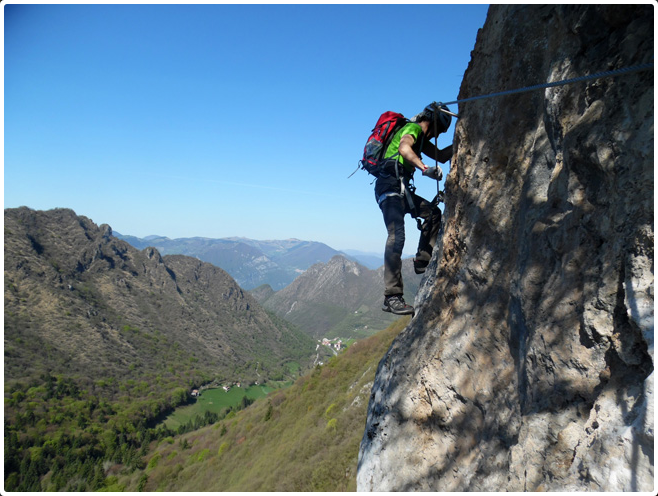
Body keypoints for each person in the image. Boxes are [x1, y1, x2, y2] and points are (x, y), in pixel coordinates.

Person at [376, 102, 453, 315]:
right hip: (390, 186)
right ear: (436, 124)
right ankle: (392, 297)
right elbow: (404, 148)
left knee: (433, 213)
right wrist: (424, 169)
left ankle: (422, 260)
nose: (439, 135)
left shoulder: (421, 140)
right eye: (441, 131)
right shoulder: (414, 129)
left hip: (400, 189)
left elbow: (442, 155)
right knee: (396, 235)